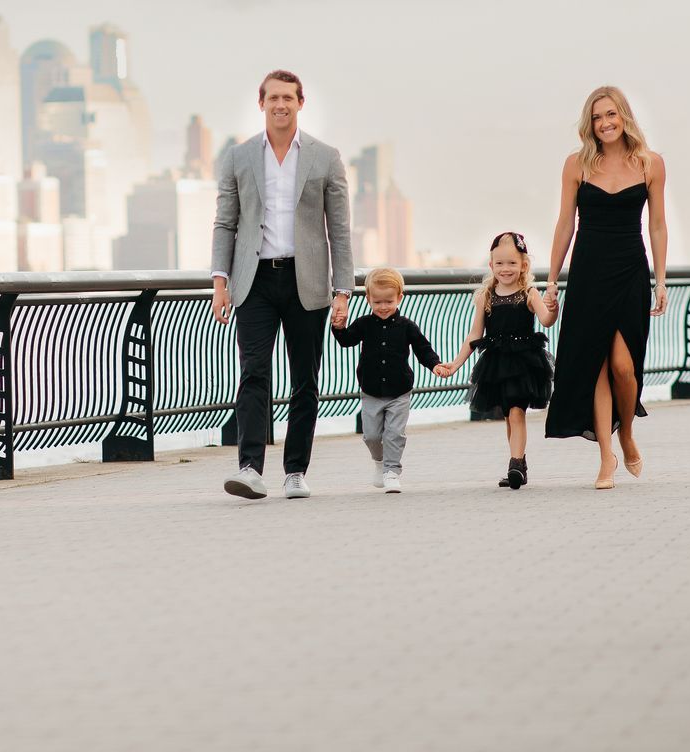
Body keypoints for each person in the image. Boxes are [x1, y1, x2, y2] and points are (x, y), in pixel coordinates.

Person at [211, 69, 354, 499]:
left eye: (288, 98)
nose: (280, 105)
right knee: (254, 372)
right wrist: (221, 281)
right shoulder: (237, 158)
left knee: (305, 380)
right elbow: (225, 224)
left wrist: (343, 290)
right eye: (273, 98)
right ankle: (250, 467)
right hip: (253, 282)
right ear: (261, 103)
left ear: (300, 103)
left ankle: (295, 471)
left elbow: (340, 230)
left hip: (306, 281)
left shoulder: (325, 157)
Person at [541, 86, 669, 489]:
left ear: (624, 116)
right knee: (596, 364)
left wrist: (661, 280)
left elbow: (658, 225)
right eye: (597, 117)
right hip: (588, 273)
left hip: (630, 270)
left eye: (611, 114)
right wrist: (551, 280)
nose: (605, 123)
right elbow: (565, 224)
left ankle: (626, 432)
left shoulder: (650, 164)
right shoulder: (576, 164)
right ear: (589, 123)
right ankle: (605, 458)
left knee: (623, 366)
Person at [433, 232, 558, 489]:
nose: (505, 269)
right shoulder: (486, 297)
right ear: (491, 265)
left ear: (524, 265)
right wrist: (456, 364)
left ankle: (515, 463)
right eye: (499, 263)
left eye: (512, 263)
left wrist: (553, 309)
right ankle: (519, 463)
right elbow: (475, 334)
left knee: (516, 411)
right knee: (508, 415)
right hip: (497, 363)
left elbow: (546, 321)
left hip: (525, 362)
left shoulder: (529, 293)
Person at [330, 266, 439, 494]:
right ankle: (379, 462)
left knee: (394, 434)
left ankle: (392, 471)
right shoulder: (364, 324)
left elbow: (423, 349)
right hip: (370, 390)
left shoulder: (407, 326)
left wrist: (435, 365)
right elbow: (347, 340)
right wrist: (338, 328)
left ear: (399, 297)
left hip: (400, 390)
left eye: (388, 302)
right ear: (368, 298)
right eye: (377, 302)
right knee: (371, 435)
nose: (383, 307)